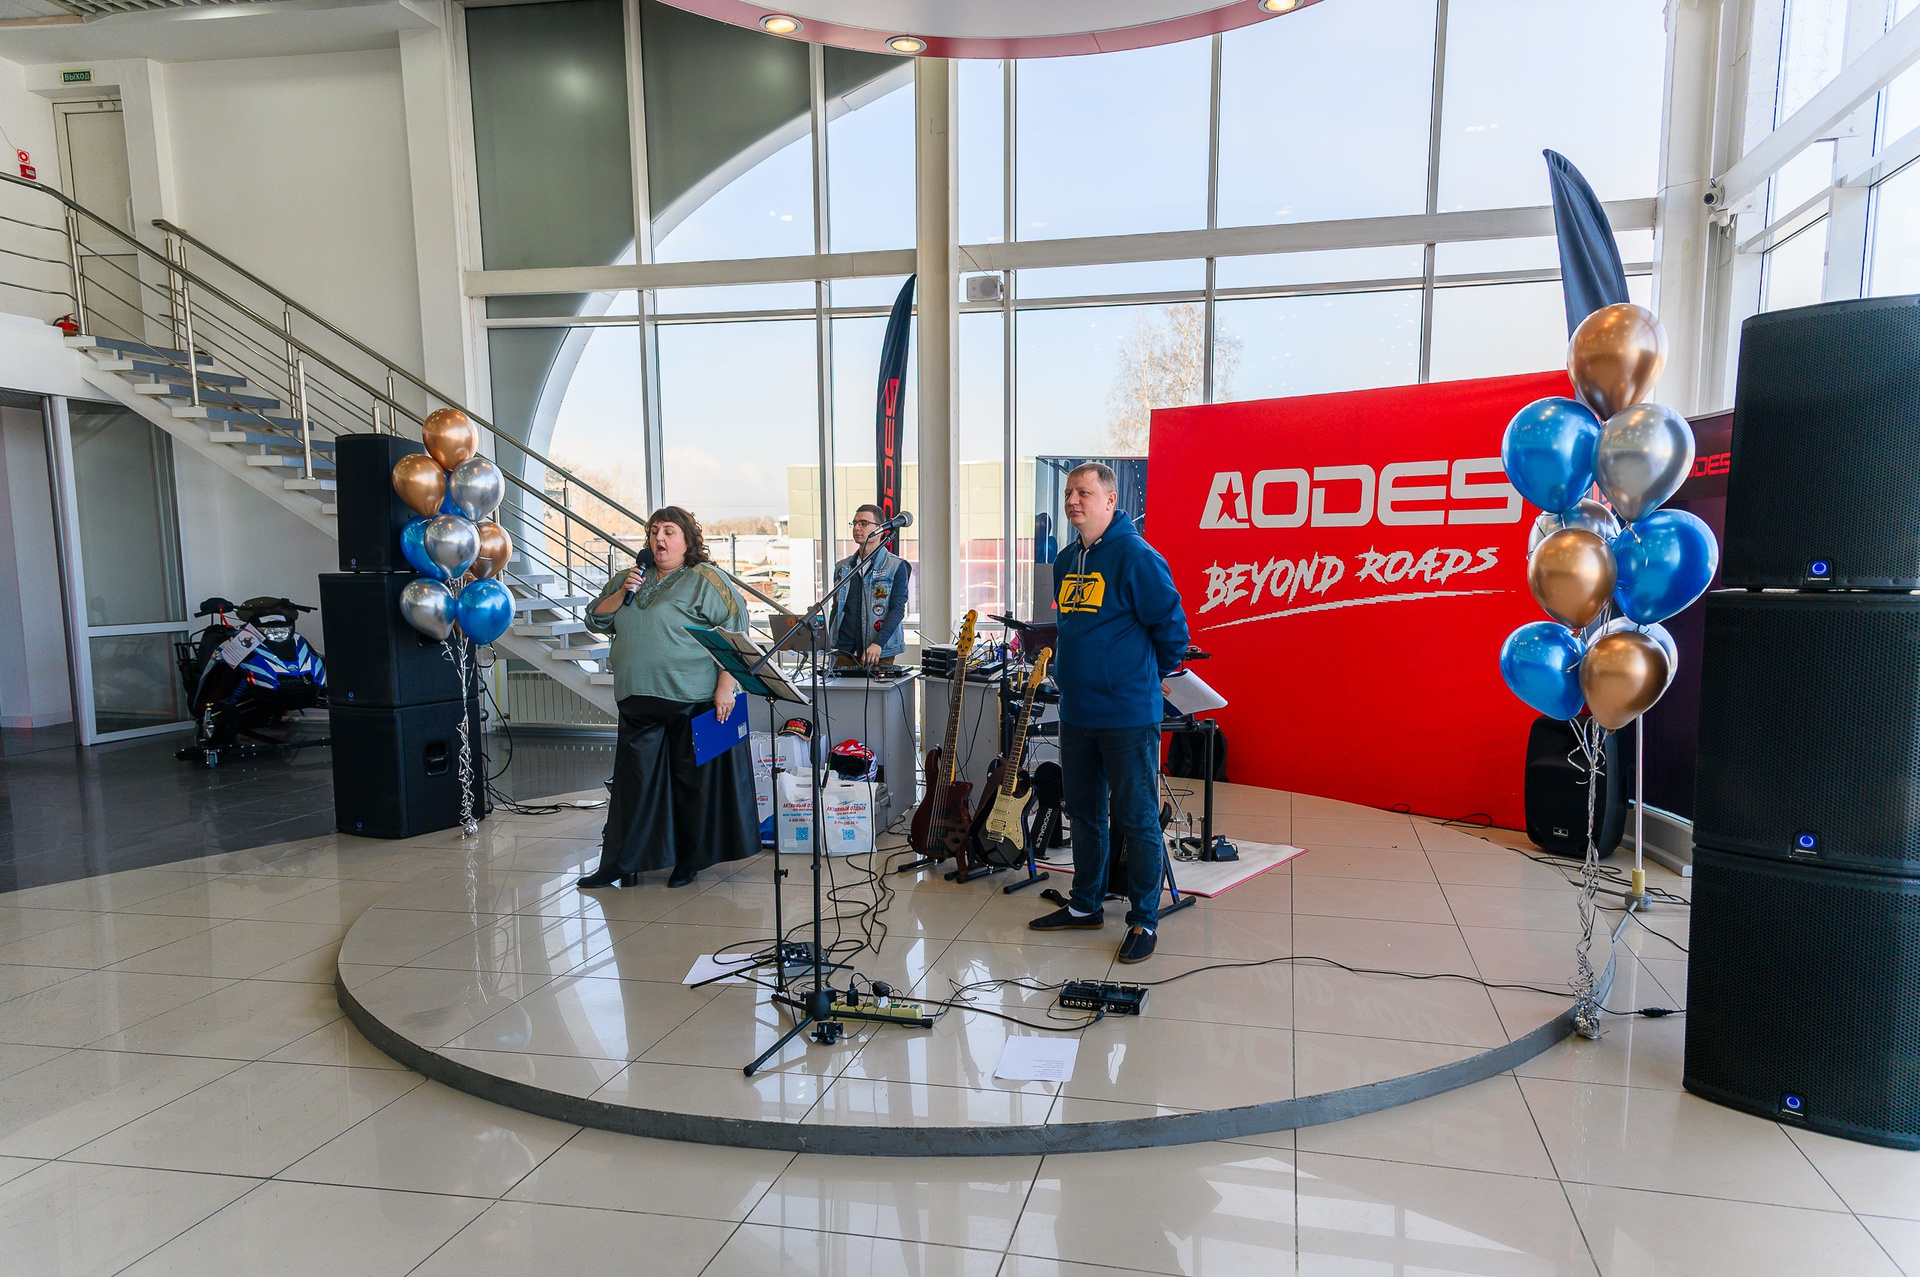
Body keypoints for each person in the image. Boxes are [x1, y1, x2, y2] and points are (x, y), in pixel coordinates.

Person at [1029, 462, 1189, 964]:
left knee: (1136, 818)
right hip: (1078, 712)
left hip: (1127, 715)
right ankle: (1085, 904)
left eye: (1084, 492)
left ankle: (1143, 918)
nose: (1072, 500)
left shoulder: (1137, 557)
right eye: (1068, 492)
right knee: (1083, 813)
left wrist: (1142, 677)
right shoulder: (1065, 561)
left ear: (1110, 500)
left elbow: (1173, 631)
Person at [576, 506, 760, 890]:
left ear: (688, 540)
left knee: (691, 787)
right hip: (637, 699)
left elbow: (736, 632)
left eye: (669, 531)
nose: (659, 538)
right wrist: (623, 592)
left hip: (690, 697)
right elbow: (595, 618)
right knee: (633, 789)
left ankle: (688, 862)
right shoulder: (629, 578)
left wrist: (726, 687)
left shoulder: (705, 579)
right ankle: (621, 863)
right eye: (654, 531)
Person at [830, 504, 912, 668]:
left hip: (878, 651)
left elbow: (897, 610)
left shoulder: (896, 566)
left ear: (880, 530)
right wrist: (829, 641)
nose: (857, 528)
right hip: (844, 651)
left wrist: (878, 643)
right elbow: (837, 607)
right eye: (854, 523)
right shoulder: (842, 567)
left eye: (864, 523)